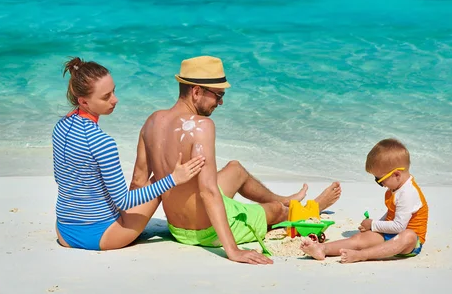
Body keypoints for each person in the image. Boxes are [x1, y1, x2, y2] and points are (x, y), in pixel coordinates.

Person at [130, 55, 341, 264]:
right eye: (218, 95)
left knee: (235, 168)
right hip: (206, 231)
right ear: (196, 91)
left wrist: (127, 227)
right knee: (275, 212)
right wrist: (233, 250)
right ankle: (312, 209)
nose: (221, 102)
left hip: (179, 227)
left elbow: (139, 181)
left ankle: (283, 199)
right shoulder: (202, 126)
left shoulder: (153, 121)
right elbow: (208, 191)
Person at [53, 57, 205, 251]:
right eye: (106, 96)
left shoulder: (60, 127)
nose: (115, 100)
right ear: (84, 101)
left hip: (64, 231)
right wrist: (173, 179)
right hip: (101, 236)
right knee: (161, 174)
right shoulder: (102, 143)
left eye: (114, 91)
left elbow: (60, 178)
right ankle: (187, 224)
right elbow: (124, 201)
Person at [300, 138, 428, 263]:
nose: (380, 184)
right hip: (392, 235)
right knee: (360, 239)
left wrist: (373, 224)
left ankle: (362, 255)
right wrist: (375, 226)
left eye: (379, 180)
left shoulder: (408, 193)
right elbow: (391, 214)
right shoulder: (395, 188)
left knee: (408, 235)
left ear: (396, 175)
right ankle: (322, 249)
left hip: (410, 243)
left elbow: (399, 226)